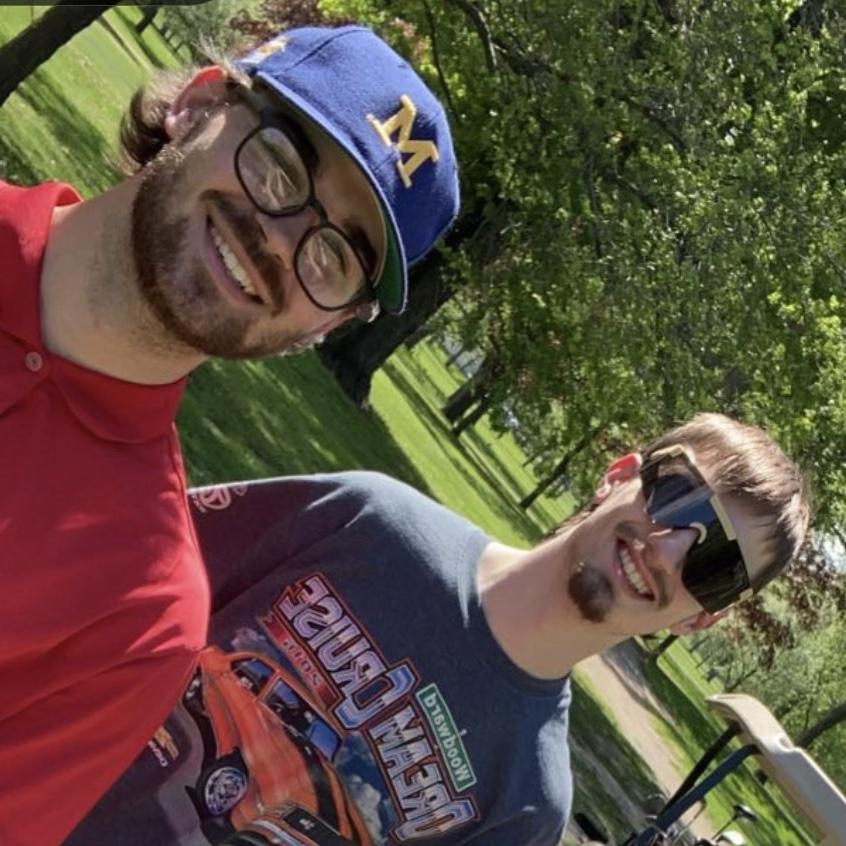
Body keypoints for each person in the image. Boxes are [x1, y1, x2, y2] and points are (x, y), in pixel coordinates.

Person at [0, 24, 459, 846]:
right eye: (280, 166)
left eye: (332, 257)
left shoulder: (141, 614)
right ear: (198, 101)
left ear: (328, 324)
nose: (280, 240)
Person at [67, 413, 809, 845]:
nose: (669, 550)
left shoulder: (528, 803)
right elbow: (102, 585)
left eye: (716, 565)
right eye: (681, 497)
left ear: (700, 616)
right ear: (619, 474)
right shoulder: (368, 519)